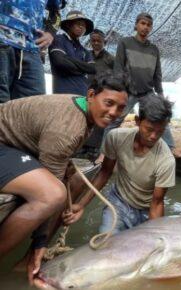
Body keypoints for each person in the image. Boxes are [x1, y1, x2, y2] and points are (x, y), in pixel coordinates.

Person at [0, 71, 128, 285]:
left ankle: (29, 257)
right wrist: (40, 242)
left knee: (75, 179)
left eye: (120, 108)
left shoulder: (82, 109)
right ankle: (33, 253)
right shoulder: (67, 130)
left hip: (16, 147)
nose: (113, 112)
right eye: (108, 103)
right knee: (52, 194)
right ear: (91, 95)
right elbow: (54, 184)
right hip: (3, 145)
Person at [63, 94, 175, 234]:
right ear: (138, 121)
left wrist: (155, 236)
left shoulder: (166, 160)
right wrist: (81, 204)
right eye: (149, 129)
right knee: (106, 240)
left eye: (160, 131)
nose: (154, 136)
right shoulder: (116, 138)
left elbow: (157, 203)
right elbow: (104, 173)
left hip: (147, 210)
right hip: (119, 203)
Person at [104, 12, 174, 149]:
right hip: (128, 91)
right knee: (114, 120)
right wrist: (119, 91)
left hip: (147, 92)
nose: (145, 27)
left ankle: (170, 149)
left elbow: (157, 75)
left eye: (149, 25)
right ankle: (104, 153)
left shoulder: (154, 49)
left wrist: (160, 94)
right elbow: (118, 68)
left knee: (160, 117)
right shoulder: (125, 42)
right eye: (142, 23)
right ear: (136, 25)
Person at [0, 0, 63, 103]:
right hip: (2, 41)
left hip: (31, 49)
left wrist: (50, 33)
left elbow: (57, 14)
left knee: (33, 105)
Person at [79, 28, 116, 161]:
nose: (95, 43)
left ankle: (94, 149)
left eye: (98, 41)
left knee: (99, 120)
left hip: (102, 94)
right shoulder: (86, 55)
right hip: (86, 92)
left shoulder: (110, 59)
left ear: (104, 42)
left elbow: (117, 76)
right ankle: (81, 145)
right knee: (84, 118)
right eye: (93, 40)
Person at [48, 10, 96, 96]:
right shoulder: (58, 39)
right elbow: (60, 62)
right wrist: (83, 69)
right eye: (78, 24)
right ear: (68, 25)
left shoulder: (85, 51)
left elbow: (92, 68)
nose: (82, 27)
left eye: (84, 25)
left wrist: (67, 58)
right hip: (63, 94)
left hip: (83, 95)